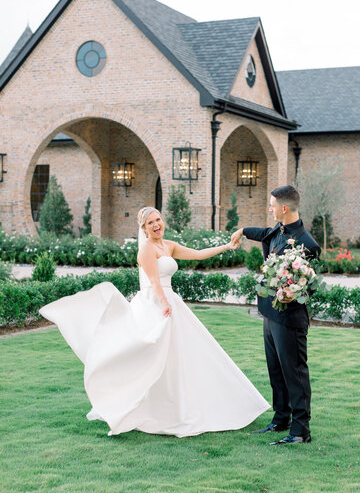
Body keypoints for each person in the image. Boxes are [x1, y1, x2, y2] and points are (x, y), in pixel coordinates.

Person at [40, 206, 270, 437]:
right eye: (150, 222)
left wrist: (227, 246)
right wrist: (163, 302)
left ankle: (182, 404)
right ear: (144, 228)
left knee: (180, 355)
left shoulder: (168, 245)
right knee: (151, 352)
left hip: (169, 302)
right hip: (154, 304)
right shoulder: (146, 250)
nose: (156, 224)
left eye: (158, 219)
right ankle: (144, 406)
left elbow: (197, 253)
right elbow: (153, 280)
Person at [231, 185, 320, 445]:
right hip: (269, 313)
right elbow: (262, 233)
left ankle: (301, 430)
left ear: (283, 208)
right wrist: (242, 231)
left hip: (290, 319)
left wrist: (293, 293)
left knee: (295, 372)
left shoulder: (307, 243)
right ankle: (281, 419)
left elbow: (311, 284)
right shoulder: (276, 231)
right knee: (275, 370)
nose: (269, 209)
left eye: (271, 205)